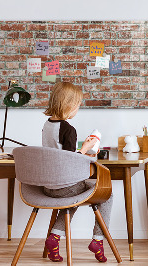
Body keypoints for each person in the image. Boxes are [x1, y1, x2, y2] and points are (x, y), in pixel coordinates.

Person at [42, 82, 112, 263]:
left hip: (48, 186)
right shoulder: (68, 129)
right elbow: (70, 161)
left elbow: (59, 154)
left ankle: (54, 238)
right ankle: (98, 240)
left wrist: (82, 149)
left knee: (72, 197)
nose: (78, 108)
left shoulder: (47, 125)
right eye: (78, 105)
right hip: (65, 186)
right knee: (107, 194)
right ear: (69, 105)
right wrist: (87, 148)